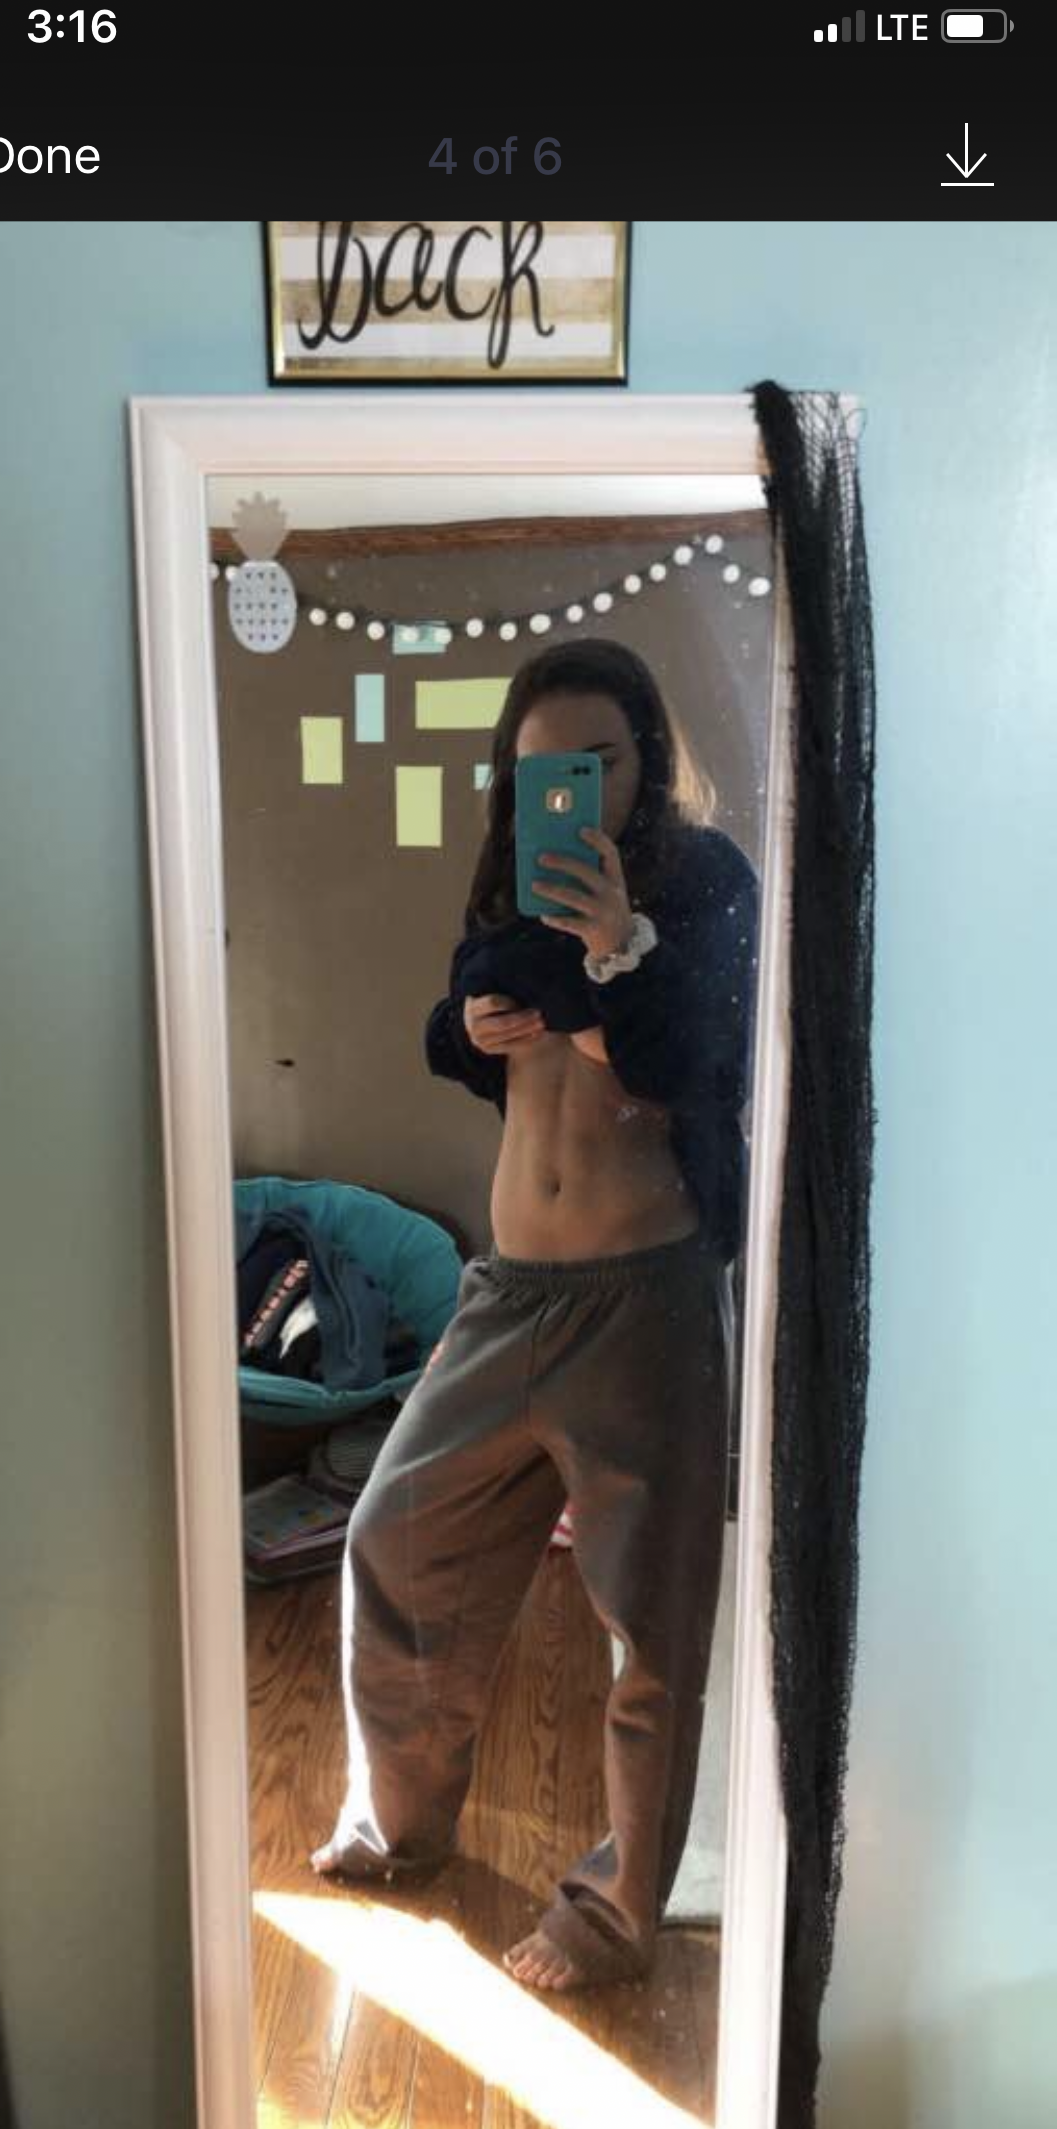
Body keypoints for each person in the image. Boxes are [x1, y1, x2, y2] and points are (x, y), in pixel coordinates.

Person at [312, 638, 759, 1990]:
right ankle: (399, 1828)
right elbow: (462, 1036)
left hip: (645, 1297)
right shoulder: (512, 875)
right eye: (536, 772)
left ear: (647, 759)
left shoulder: (707, 882)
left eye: (596, 763)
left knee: (649, 1628)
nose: (567, 793)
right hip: (508, 1291)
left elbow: (707, 1065)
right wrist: (471, 1026)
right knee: (393, 1538)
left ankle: (614, 1918)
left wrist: (619, 947)